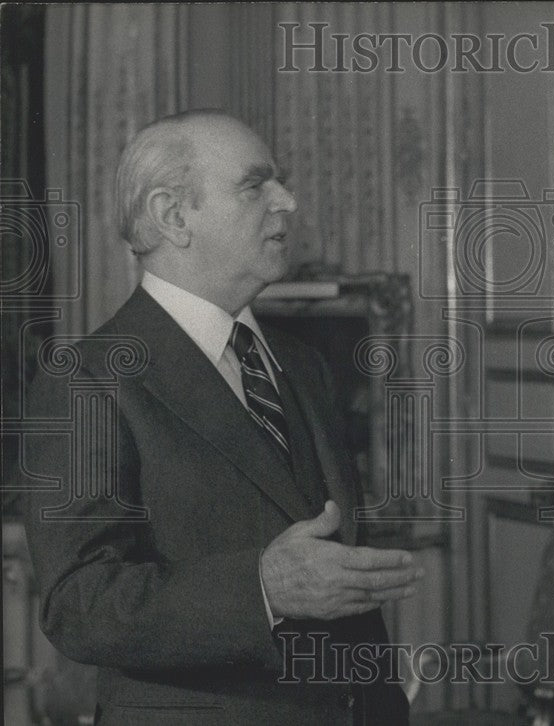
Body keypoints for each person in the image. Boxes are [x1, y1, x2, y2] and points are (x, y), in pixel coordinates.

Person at [24, 110, 418, 725]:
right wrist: (262, 588)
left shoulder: (302, 365)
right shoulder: (89, 379)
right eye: (255, 184)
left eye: (279, 182)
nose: (287, 200)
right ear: (174, 216)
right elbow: (78, 604)